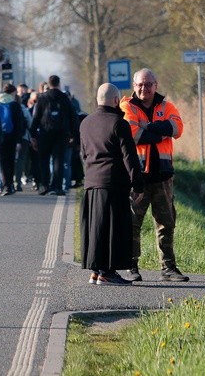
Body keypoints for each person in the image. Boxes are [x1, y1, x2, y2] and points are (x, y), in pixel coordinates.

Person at [120, 68, 189, 282]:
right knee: (132, 223)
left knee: (166, 223)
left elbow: (177, 129)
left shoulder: (167, 106)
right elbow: (133, 135)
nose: (144, 88)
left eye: (148, 84)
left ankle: (168, 268)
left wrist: (148, 127)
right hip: (137, 177)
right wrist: (160, 130)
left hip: (163, 177)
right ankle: (131, 267)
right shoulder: (126, 106)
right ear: (134, 85)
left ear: (155, 85)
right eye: (140, 84)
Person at [80, 83, 144, 285]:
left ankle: (96, 271)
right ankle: (108, 272)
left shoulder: (85, 123)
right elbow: (130, 158)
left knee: (96, 229)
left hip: (91, 183)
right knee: (113, 229)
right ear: (116, 100)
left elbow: (83, 154)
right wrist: (138, 184)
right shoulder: (119, 123)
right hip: (113, 184)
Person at [30, 75, 79, 196]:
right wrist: (74, 135)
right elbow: (73, 117)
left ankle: (45, 185)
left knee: (44, 160)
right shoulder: (64, 97)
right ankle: (57, 187)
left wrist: (33, 135)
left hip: (44, 133)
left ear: (49, 83)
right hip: (61, 134)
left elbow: (36, 117)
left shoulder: (42, 98)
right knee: (59, 160)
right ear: (59, 83)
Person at [0, 83, 26, 195]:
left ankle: (5, 185)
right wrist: (19, 140)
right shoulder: (15, 105)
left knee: (2, 162)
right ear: (13, 92)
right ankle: (10, 185)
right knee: (11, 161)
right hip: (12, 137)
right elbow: (19, 124)